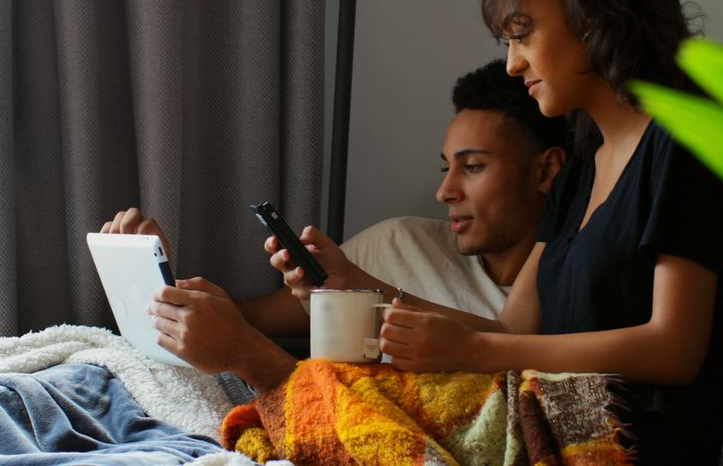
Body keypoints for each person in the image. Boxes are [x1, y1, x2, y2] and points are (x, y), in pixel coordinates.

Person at [271, 0, 723, 464]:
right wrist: (353, 283)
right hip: (548, 410)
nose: (512, 62)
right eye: (507, 41)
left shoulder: (687, 142)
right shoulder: (583, 166)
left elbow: (674, 351)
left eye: (523, 34)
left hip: (638, 439)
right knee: (333, 384)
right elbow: (513, 329)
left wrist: (478, 352)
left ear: (595, 17)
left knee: (338, 398)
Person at [102, 58, 569, 395]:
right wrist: (156, 279)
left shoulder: (560, 314)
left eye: (472, 168)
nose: (445, 192)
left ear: (546, 171)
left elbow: (509, 347)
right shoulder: (399, 242)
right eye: (444, 168)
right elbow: (243, 320)